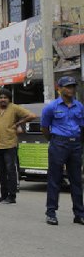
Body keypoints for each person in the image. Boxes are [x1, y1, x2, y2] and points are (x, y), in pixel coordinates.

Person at [40, 77, 84, 225]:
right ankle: (51, 212)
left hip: (75, 144)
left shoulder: (79, 106)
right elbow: (44, 128)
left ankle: (79, 214)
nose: (71, 89)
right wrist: (54, 141)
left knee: (76, 180)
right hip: (58, 143)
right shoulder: (51, 107)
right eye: (68, 87)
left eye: (73, 86)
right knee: (55, 179)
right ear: (59, 88)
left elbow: (81, 126)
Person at [0, 89, 36, 205]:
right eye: (0, 97)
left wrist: (18, 124)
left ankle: (11, 197)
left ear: (9, 99)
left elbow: (32, 115)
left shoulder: (14, 108)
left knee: (10, 171)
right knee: (1, 172)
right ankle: (3, 195)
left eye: (5, 97)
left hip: (10, 145)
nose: (3, 99)